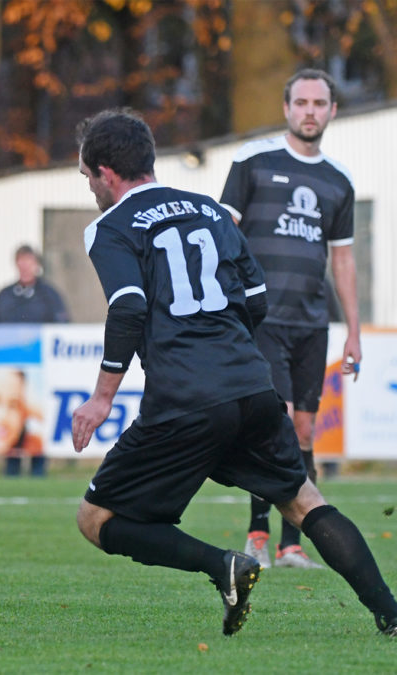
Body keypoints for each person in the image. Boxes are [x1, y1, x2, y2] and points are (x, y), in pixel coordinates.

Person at [71, 109, 397, 636]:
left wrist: (102, 397)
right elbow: (257, 297)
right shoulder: (209, 210)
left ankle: (221, 565)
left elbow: (128, 306)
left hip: (184, 398)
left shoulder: (109, 226)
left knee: (96, 519)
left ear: (107, 171)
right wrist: (227, 349)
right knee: (305, 501)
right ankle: (392, 613)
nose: (88, 187)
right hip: (251, 384)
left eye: (87, 176)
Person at [220, 68, 360, 570]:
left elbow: (342, 260)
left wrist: (354, 334)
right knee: (271, 424)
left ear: (332, 111)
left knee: (304, 430)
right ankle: (258, 533)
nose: (309, 111)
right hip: (262, 318)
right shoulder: (252, 161)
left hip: (312, 323)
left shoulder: (338, 180)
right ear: (286, 108)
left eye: (319, 103)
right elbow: (223, 235)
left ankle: (291, 544)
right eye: (301, 102)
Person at [0, 245, 70, 324]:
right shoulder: (4, 296)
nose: (25, 268)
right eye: (21, 262)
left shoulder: (49, 296)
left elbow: (62, 326)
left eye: (29, 262)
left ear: (37, 265)